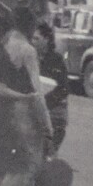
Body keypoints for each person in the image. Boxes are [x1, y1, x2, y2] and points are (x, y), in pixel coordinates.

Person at [0, 8, 52, 186]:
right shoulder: (27, 50)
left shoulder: (0, 45)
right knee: (23, 168)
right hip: (19, 117)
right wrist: (47, 125)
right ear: (31, 27)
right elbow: (37, 92)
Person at [33, 20, 70, 154]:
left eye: (36, 38)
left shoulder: (57, 60)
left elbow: (63, 89)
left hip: (53, 112)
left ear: (47, 39)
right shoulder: (31, 57)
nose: (33, 42)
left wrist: (45, 104)